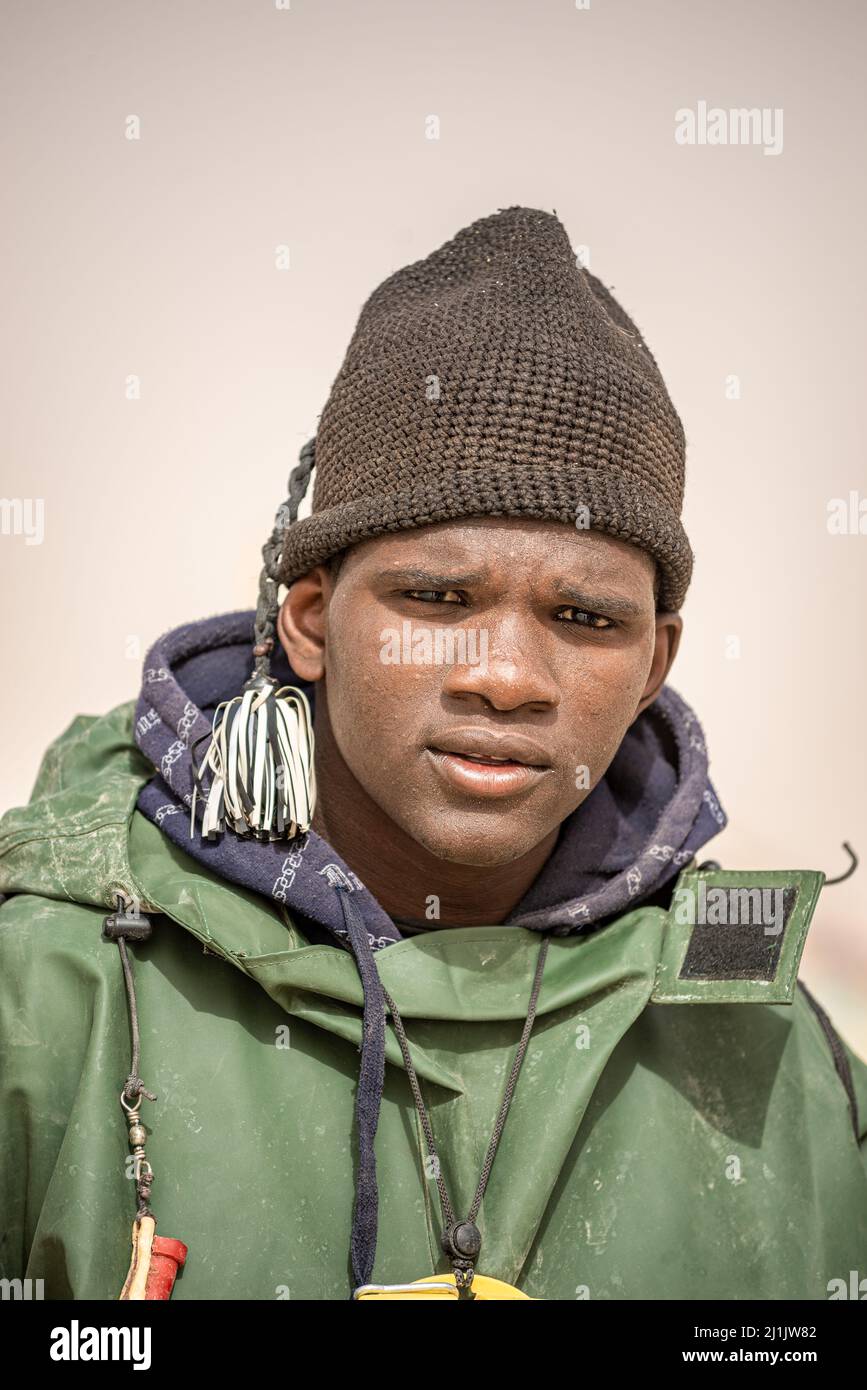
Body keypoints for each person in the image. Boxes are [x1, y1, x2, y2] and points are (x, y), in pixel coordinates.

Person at [1, 206, 865, 1302]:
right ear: (311, 620)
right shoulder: (45, 998)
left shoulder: (781, 1062)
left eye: (585, 619)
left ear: (654, 662)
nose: (506, 675)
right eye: (438, 599)